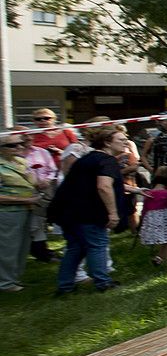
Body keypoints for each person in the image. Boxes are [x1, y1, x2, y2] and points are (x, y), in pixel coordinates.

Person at [50, 125, 129, 295]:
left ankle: (65, 286)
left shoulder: (86, 159)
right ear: (107, 142)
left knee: (76, 248)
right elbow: (104, 187)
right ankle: (103, 282)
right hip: (89, 214)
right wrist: (113, 213)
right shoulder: (107, 161)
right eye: (121, 140)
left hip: (68, 212)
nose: (126, 143)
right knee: (97, 245)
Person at [0, 134, 40, 292]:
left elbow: (33, 183)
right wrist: (26, 201)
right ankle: (5, 283)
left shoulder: (21, 162)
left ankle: (15, 278)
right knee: (7, 247)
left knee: (22, 246)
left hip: (27, 210)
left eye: (20, 144)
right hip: (8, 212)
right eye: (13, 145)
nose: (19, 147)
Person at [15, 127, 58, 263]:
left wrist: (47, 180)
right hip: (18, 195)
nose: (28, 138)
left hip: (41, 193)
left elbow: (52, 170)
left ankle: (41, 252)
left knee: (38, 223)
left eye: (30, 135)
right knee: (20, 224)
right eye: (23, 136)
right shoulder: (11, 154)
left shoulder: (42, 152)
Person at [140, 166, 167, 267]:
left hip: (154, 223)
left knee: (165, 241)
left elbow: (145, 210)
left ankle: (158, 258)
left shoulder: (149, 194)